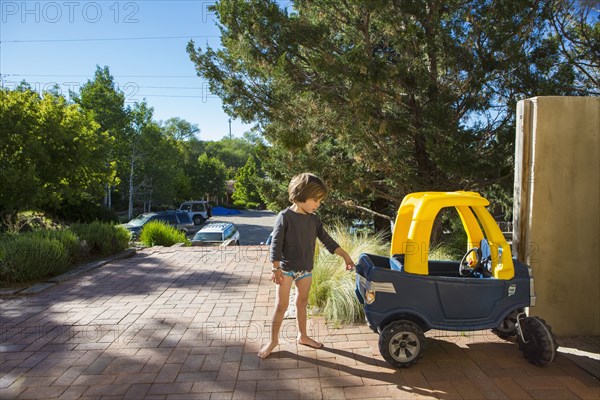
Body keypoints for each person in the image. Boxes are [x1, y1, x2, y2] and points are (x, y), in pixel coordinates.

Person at [258, 173, 355, 359]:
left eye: (319, 201)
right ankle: (273, 340)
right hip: (285, 269)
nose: (317, 204)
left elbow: (327, 240)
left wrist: (345, 256)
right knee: (281, 306)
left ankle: (302, 336)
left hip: (306, 270)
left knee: (302, 302)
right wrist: (275, 268)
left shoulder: (313, 219)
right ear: (301, 195)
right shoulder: (285, 217)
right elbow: (276, 244)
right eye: (315, 200)